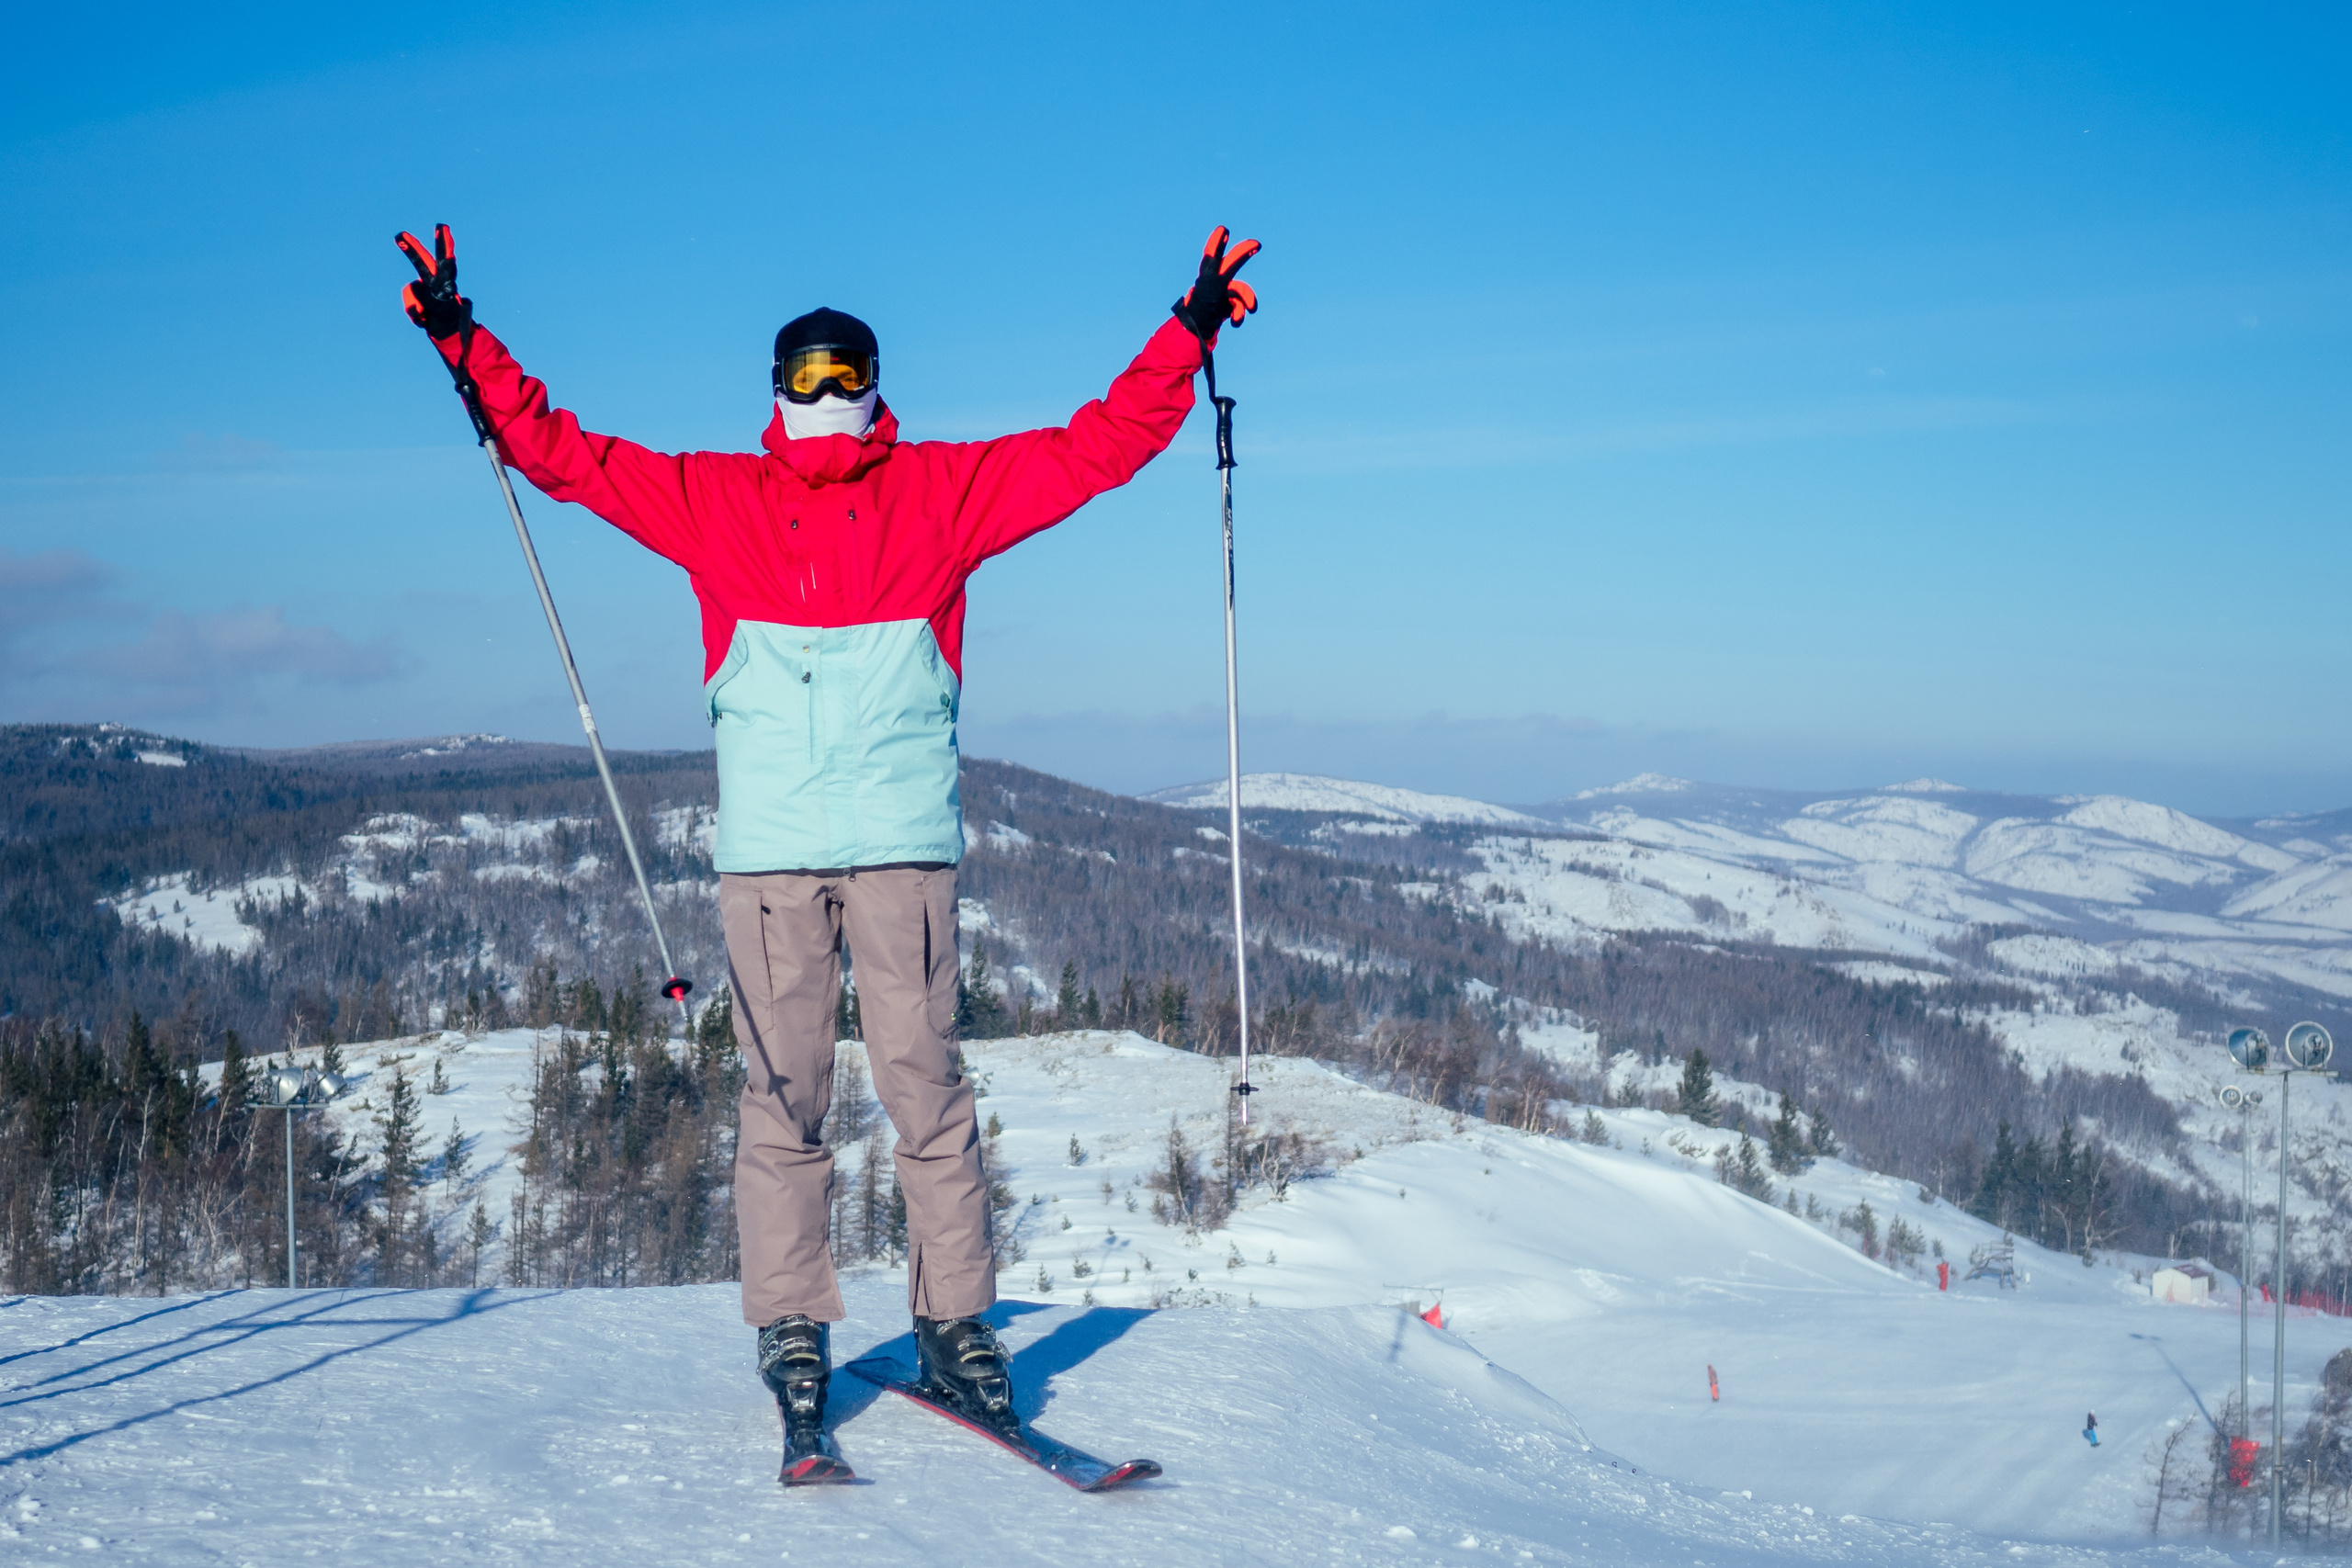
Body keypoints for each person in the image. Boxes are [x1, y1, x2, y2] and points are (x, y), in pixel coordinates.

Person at [395, 223, 1261, 1452]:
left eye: (845, 372)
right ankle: (792, 1326)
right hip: (772, 859)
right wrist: (463, 341)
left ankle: (955, 1327)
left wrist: (1188, 331)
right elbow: (566, 455)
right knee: (784, 1095)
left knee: (928, 1092)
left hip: (902, 847)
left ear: (875, 386)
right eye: (807, 374)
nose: (826, 393)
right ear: (776, 388)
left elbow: (1094, 448)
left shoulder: (942, 492)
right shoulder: (714, 500)